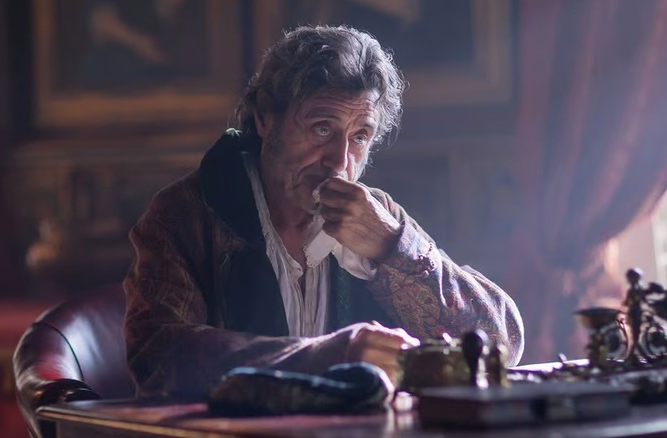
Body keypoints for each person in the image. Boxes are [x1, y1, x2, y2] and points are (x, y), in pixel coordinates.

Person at [123, 25, 524, 400]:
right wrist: (326, 356)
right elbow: (159, 357)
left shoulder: (377, 216)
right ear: (265, 119)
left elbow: (501, 345)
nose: (339, 162)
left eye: (359, 137)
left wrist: (393, 247)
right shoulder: (186, 212)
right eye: (321, 129)